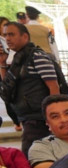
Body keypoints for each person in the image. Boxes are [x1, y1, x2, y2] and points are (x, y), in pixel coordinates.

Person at [0, 22, 61, 156]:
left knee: (32, 157)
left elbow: (53, 87)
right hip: (27, 117)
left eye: (11, 34)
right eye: (5, 35)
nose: (7, 38)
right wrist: (2, 63)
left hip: (38, 119)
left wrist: (52, 115)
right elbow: (7, 88)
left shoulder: (37, 56)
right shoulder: (18, 58)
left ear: (25, 37)